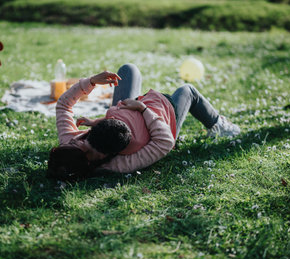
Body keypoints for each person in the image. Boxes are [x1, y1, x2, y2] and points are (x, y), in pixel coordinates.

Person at [47, 63, 240, 180]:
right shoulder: (120, 164)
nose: (82, 141)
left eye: (76, 142)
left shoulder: (69, 143)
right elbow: (164, 142)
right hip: (162, 120)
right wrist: (143, 109)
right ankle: (217, 124)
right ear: (96, 160)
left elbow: (63, 105)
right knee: (187, 91)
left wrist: (91, 82)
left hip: (122, 115)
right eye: (88, 151)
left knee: (127, 70)